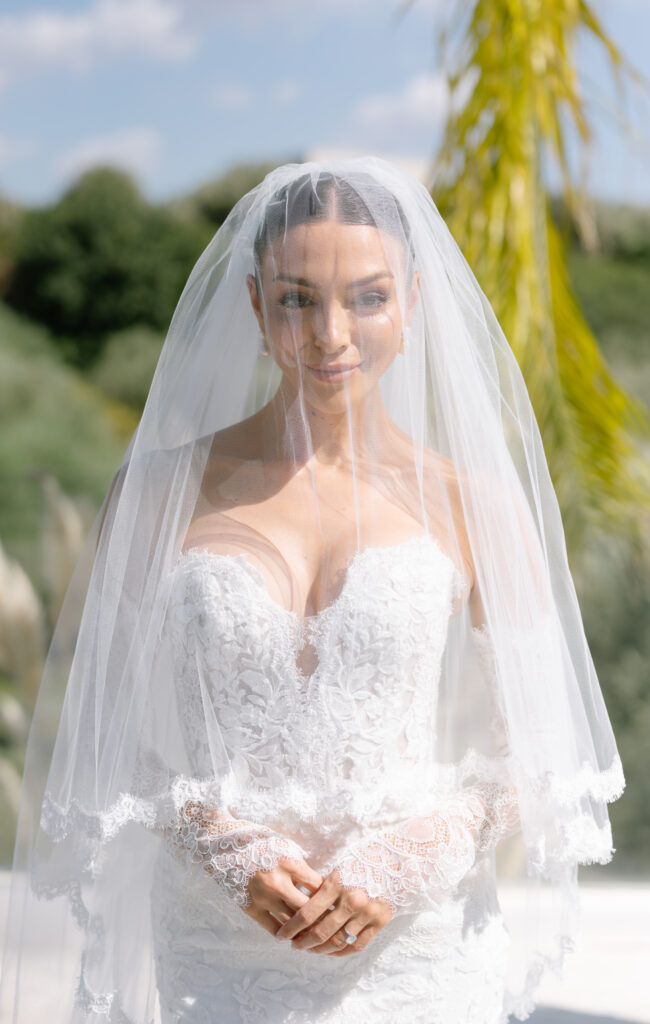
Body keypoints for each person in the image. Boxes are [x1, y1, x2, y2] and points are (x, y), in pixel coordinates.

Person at [0, 157, 624, 1024]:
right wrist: (216, 842)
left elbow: (542, 748)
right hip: (214, 952)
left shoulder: (474, 502)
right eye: (297, 298)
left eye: (366, 296)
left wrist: (409, 860)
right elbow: (103, 731)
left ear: (411, 303)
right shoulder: (154, 492)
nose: (331, 333)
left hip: (416, 950)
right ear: (256, 308)